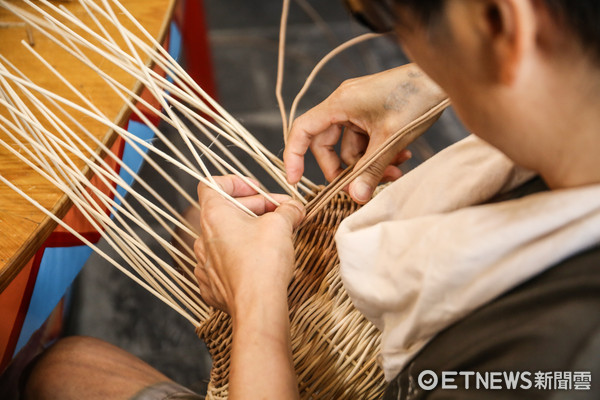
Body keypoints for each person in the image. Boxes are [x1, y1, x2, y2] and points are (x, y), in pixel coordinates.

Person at [22, 0, 600, 399]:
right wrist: (434, 80)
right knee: (200, 225)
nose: (399, 38)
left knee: (61, 372)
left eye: (384, 14)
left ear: (502, 25)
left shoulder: (554, 360)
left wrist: (256, 308)